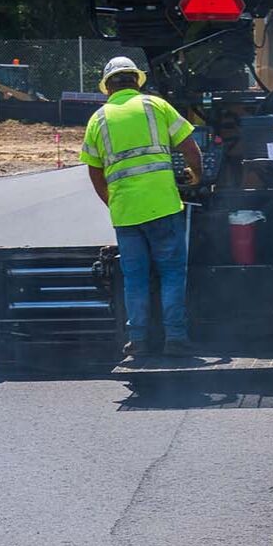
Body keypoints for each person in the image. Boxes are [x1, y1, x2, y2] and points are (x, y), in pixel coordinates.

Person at [79, 56, 203, 359]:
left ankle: (138, 341)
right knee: (172, 273)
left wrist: (113, 203)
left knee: (135, 278)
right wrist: (196, 175)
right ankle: (175, 338)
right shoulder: (155, 106)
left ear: (108, 87)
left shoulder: (98, 119)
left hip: (126, 213)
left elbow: (94, 171)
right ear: (136, 80)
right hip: (163, 206)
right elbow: (190, 147)